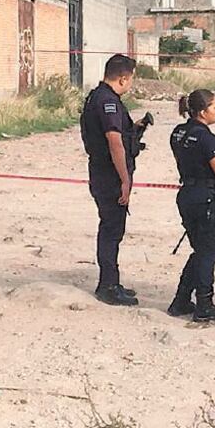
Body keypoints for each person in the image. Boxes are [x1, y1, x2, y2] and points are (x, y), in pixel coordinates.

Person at [80, 54, 148, 306]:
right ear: (123, 78)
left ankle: (111, 281)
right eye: (131, 79)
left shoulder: (99, 97)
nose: (131, 84)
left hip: (102, 172)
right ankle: (108, 286)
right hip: (109, 175)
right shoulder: (107, 101)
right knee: (111, 230)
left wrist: (137, 127)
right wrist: (124, 180)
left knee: (111, 228)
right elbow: (114, 141)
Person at [167, 89, 215, 322]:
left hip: (187, 194)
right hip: (207, 198)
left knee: (200, 252)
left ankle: (181, 299)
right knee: (208, 254)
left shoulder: (178, 133)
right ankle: (204, 304)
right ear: (203, 111)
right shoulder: (207, 138)